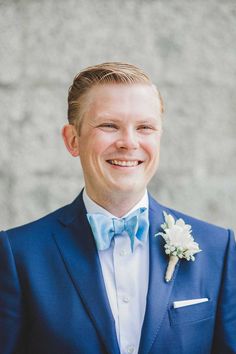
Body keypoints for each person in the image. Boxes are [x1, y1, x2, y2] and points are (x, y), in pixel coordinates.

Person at [0, 62, 235, 354]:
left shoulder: (218, 249)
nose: (129, 142)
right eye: (109, 125)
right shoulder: (17, 254)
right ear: (73, 140)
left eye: (145, 127)